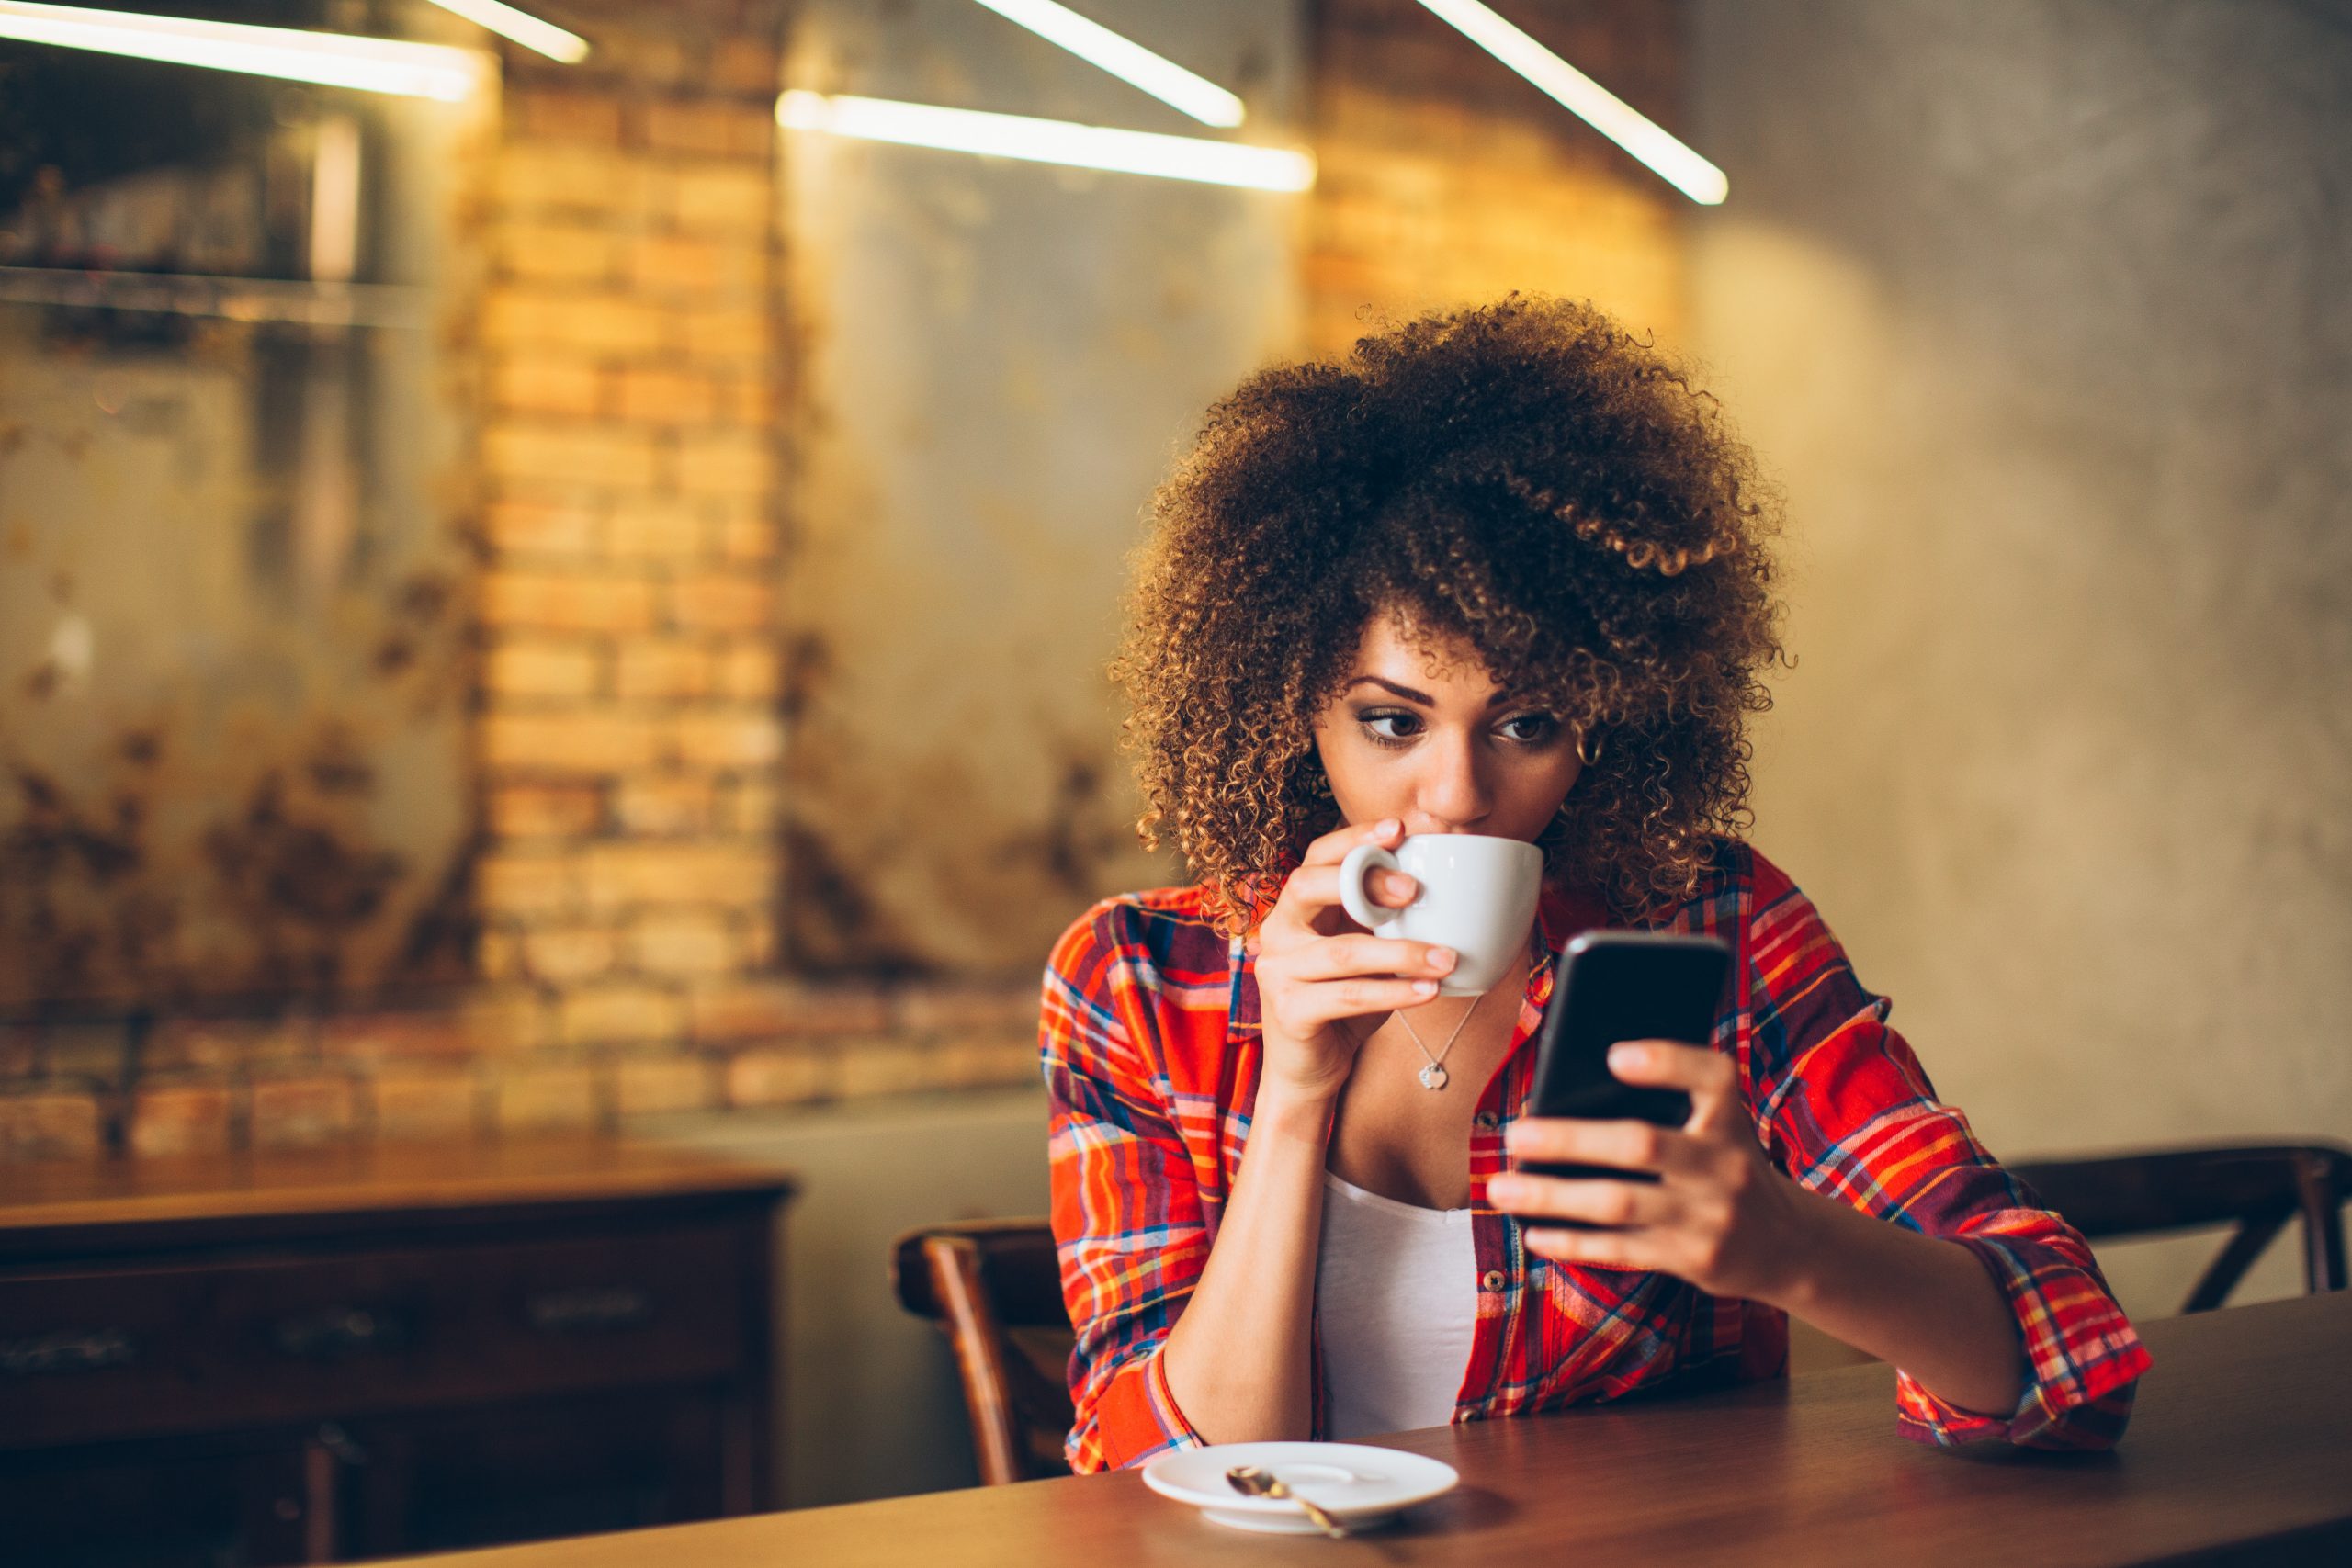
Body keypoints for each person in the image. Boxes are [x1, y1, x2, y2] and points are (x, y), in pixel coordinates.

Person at [1039, 296, 2149, 1472]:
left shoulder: (1707, 925)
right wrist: (1295, 1099)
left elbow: (2069, 1369)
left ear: (1609, 723)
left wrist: (1783, 1245)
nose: (1457, 792)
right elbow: (1155, 1479)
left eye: (1525, 721)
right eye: (1390, 722)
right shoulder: (1142, 982)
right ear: (1288, 703)